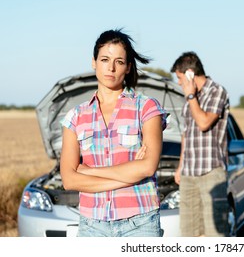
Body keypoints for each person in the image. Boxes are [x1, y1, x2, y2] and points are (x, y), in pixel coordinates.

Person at [60, 29, 167, 237]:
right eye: (104, 59)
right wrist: (129, 176)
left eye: (119, 61)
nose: (111, 67)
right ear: (94, 62)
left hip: (140, 223)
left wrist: (88, 171)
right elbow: (69, 180)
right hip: (92, 225)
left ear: (128, 67)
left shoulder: (146, 108)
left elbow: (148, 166)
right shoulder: (75, 117)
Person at [170, 51, 230, 237]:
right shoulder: (190, 99)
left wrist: (191, 97)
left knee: (215, 233)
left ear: (190, 73)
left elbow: (204, 123)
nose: (179, 83)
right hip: (189, 174)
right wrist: (180, 166)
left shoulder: (217, 91)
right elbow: (185, 135)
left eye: (180, 78)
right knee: (189, 233)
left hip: (211, 172)